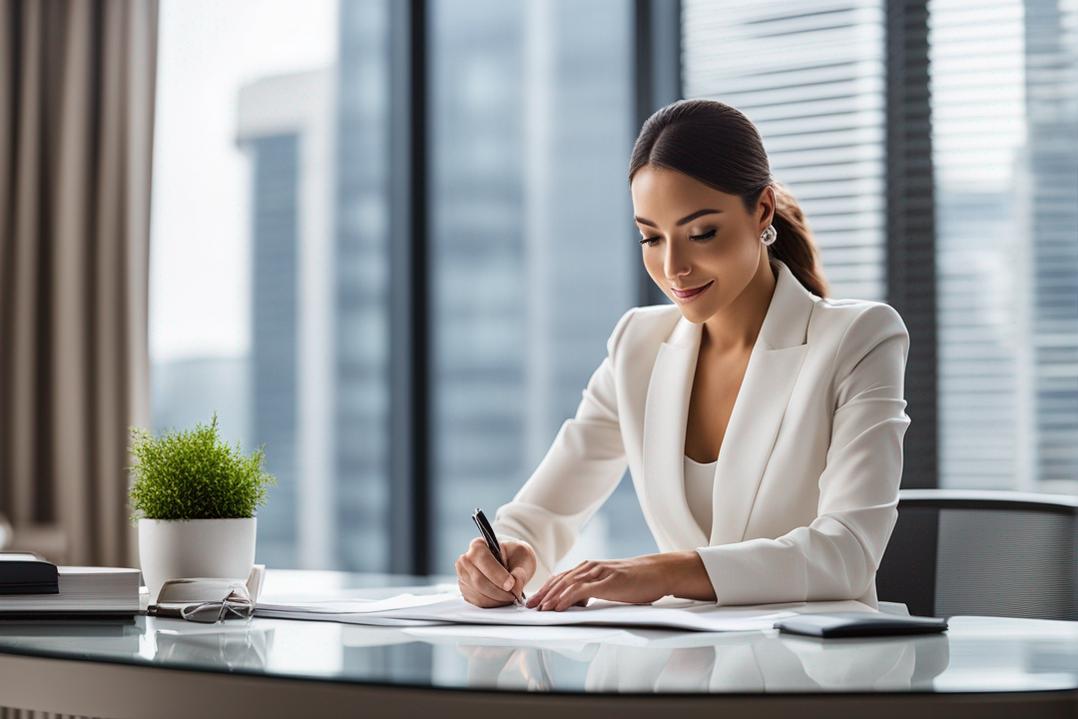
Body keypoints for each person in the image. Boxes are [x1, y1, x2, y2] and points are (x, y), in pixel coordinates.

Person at [454, 98, 911, 612]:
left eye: (701, 234)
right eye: (651, 237)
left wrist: (663, 571)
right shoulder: (637, 346)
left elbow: (847, 554)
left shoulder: (859, 338)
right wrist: (509, 557)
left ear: (761, 210)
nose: (674, 267)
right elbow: (540, 514)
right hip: (679, 672)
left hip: (811, 675)